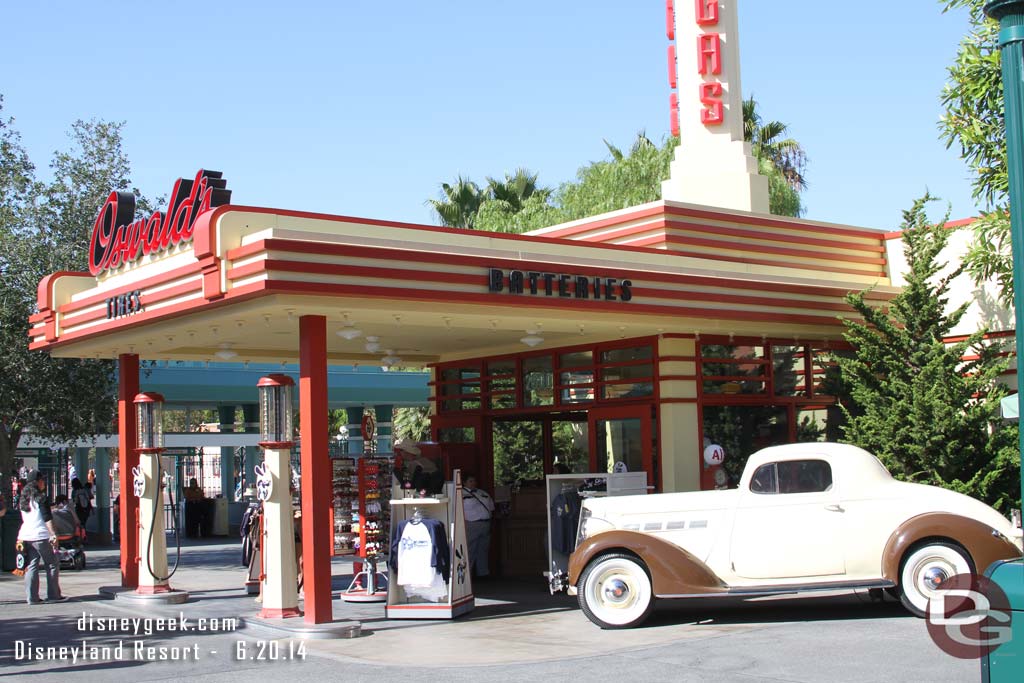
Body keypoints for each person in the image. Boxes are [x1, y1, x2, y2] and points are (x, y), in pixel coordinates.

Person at [16, 469, 65, 604]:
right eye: (42, 480)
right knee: (52, 564)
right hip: (41, 536)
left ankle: (32, 597)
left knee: (32, 565)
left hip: (25, 536)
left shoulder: (23, 498)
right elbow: (47, 518)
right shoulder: (41, 498)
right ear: (38, 482)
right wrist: (53, 534)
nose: (44, 482)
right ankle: (54, 595)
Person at [462, 474, 495, 580]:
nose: (473, 483)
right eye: (470, 481)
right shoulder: (461, 494)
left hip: (485, 523)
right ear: (464, 482)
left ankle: (483, 573)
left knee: (483, 549)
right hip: (471, 524)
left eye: (474, 481)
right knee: (470, 550)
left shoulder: (482, 493)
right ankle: (468, 576)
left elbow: (491, 506)